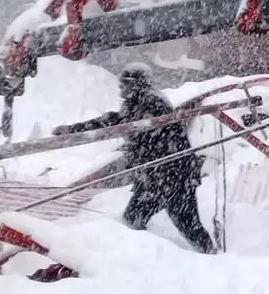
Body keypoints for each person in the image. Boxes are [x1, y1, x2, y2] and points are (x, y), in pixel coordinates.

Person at [51, 63, 215, 254]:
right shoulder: (137, 102)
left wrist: (140, 154)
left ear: (136, 84)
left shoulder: (152, 103)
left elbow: (144, 133)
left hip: (171, 176)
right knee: (136, 219)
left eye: (125, 85)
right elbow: (114, 121)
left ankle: (207, 257)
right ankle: (148, 256)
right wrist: (73, 130)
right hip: (158, 177)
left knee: (183, 223)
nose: (121, 90)